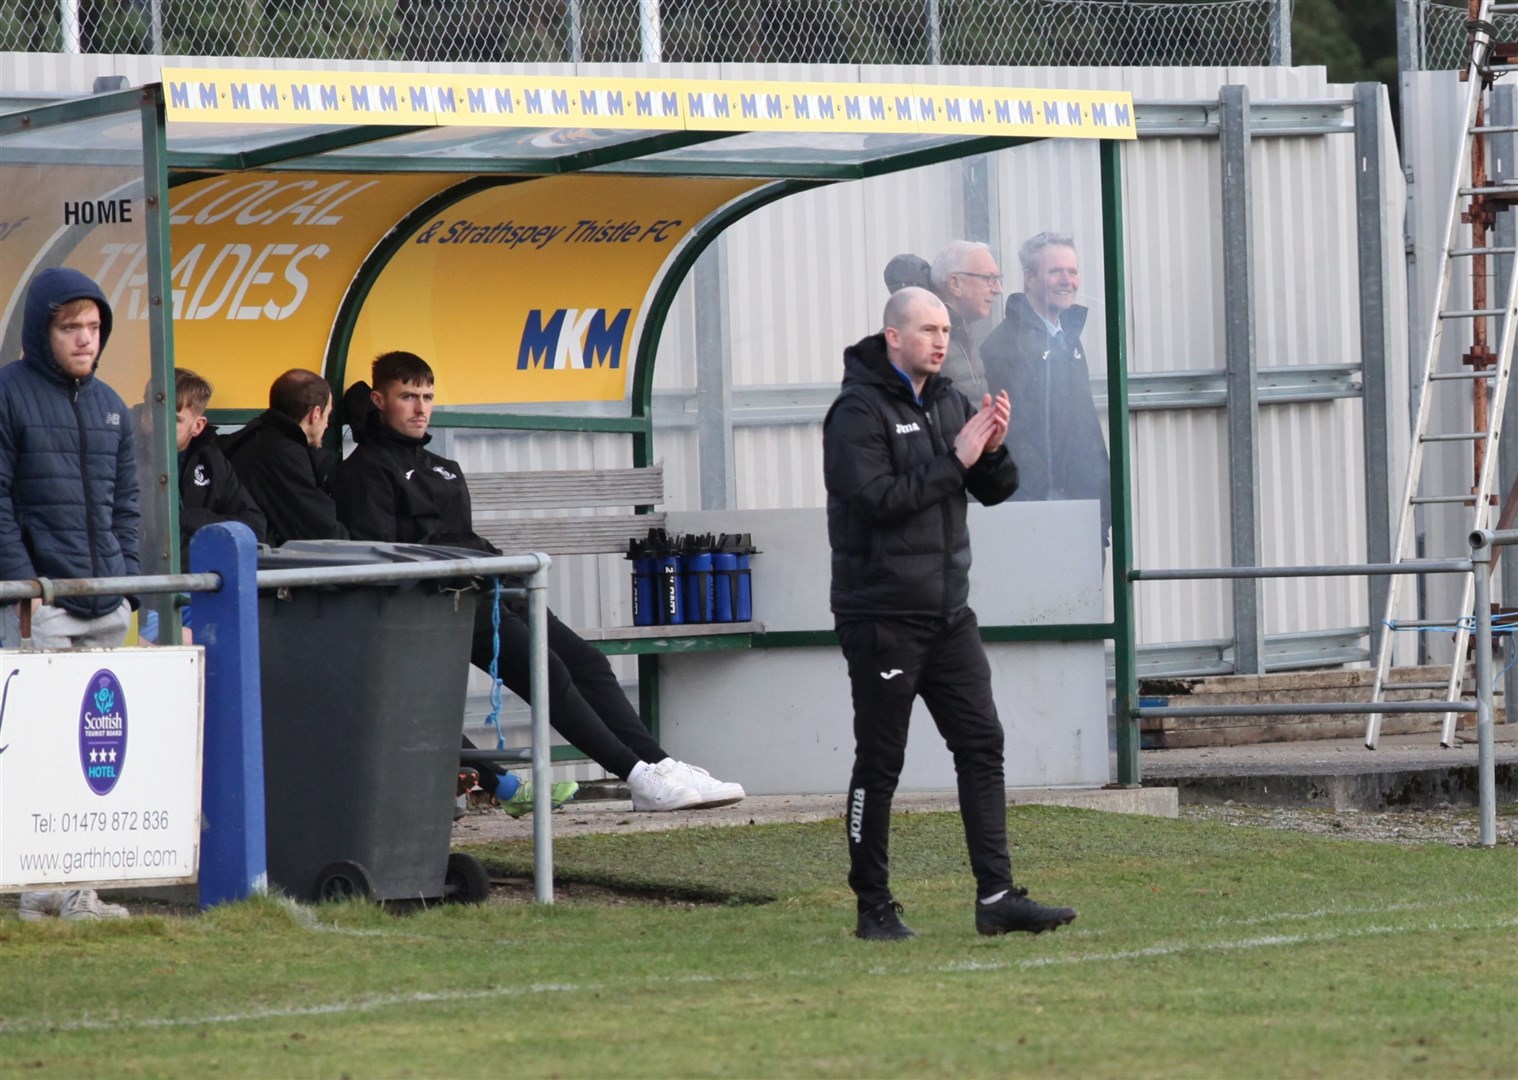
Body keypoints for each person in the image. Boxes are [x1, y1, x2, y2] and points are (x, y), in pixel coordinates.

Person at [335, 350, 746, 813]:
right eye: (407, 396)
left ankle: (658, 765)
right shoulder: (364, 473)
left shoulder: (445, 467)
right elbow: (385, 558)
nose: (420, 408)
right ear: (379, 400)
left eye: (427, 396)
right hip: (443, 603)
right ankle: (637, 776)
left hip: (495, 586)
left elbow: (464, 537)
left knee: (588, 663)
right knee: (547, 672)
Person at [823, 286, 1076, 941]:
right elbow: (878, 500)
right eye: (928, 329)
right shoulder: (856, 412)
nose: (942, 339)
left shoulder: (947, 400)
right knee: (881, 761)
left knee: (981, 744)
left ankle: (996, 898)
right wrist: (956, 458)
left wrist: (991, 449)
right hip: (882, 616)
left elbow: (994, 491)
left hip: (948, 614)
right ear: (893, 337)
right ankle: (872, 907)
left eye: (945, 328)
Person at [0, 267, 139, 921]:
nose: (86, 339)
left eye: (94, 327)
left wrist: (128, 582)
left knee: (95, 757)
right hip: (41, 607)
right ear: (42, 328)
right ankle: (38, 887)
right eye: (71, 326)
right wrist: (21, 586)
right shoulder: (7, 394)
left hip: (104, 607)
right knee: (35, 745)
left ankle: (78, 887)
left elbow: (127, 505)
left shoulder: (113, 404)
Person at [981, 231, 1110, 547]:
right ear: (1029, 278)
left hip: (1082, 509)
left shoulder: (1068, 339)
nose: (1067, 280)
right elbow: (1014, 433)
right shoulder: (1006, 345)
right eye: (1056, 271)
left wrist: (1101, 495)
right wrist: (1046, 497)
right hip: (1042, 515)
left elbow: (1082, 427)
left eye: (1073, 271)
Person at [222, 368, 348, 547]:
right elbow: (319, 530)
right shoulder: (283, 453)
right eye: (327, 415)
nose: (327, 423)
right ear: (315, 414)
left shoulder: (255, 436)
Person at [175, 369, 267, 562]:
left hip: (205, 578)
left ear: (198, 426)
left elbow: (254, 527)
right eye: (151, 412)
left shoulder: (211, 459)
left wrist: (190, 519)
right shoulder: (128, 457)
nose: (158, 424)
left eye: (175, 419)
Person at [928, 239, 1004, 400]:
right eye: (989, 278)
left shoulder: (962, 332)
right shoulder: (924, 338)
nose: (998, 289)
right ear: (955, 283)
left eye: (998, 278)